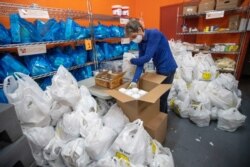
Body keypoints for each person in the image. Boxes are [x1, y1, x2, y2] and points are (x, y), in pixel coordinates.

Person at [125, 19, 177, 113]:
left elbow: (147, 58)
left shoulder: (154, 34)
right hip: (160, 68)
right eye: (132, 39)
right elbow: (141, 63)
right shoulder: (141, 43)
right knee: (160, 96)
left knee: (162, 97)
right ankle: (161, 115)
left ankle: (162, 119)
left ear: (140, 29)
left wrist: (131, 60)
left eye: (133, 36)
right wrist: (134, 81)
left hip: (168, 68)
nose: (134, 40)